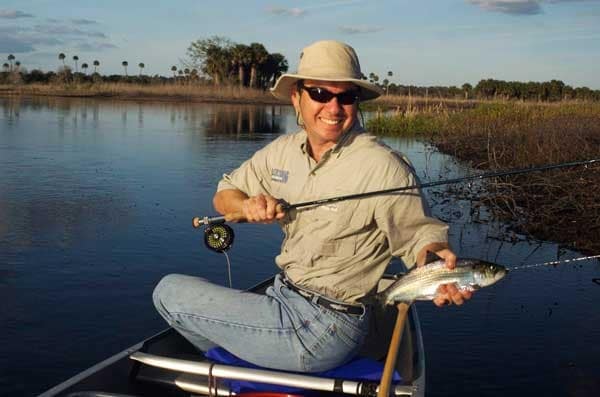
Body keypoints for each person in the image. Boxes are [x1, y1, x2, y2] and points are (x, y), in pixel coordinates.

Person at [153, 40, 472, 373]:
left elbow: (420, 236)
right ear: (297, 98)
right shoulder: (282, 151)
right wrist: (246, 205)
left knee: (168, 291)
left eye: (346, 97)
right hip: (285, 297)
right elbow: (225, 192)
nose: (333, 108)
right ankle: (251, 364)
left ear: (357, 102)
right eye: (320, 93)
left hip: (328, 327)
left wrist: (438, 267)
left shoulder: (383, 166)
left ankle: (241, 366)